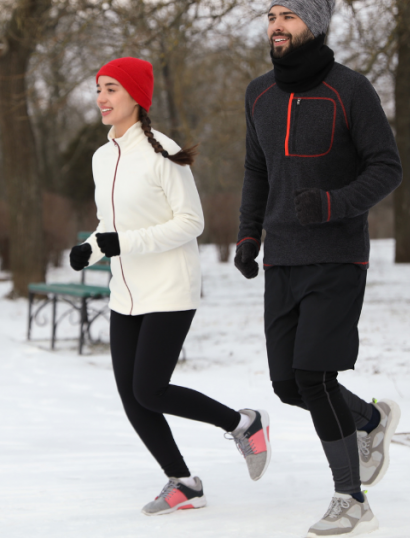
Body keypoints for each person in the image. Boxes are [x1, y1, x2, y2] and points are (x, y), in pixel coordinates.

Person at [69, 57, 270, 516]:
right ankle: (182, 482)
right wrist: (94, 248)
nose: (101, 97)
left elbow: (190, 222)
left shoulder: (162, 150)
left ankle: (243, 423)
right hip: (127, 291)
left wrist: (121, 242)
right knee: (132, 397)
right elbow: (111, 224)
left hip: (170, 287)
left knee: (151, 390)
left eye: (112, 89)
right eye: (99, 88)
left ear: (136, 96)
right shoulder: (102, 157)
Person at [235, 2, 403, 536]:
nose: (277, 25)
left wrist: (334, 204)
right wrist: (247, 235)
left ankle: (351, 499)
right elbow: (256, 170)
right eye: (271, 15)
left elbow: (387, 167)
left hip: (336, 256)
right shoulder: (258, 93)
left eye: (289, 15)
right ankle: (371, 421)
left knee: (315, 375)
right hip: (282, 257)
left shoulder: (351, 89)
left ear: (316, 24)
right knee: (288, 384)